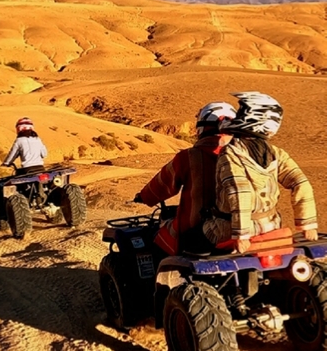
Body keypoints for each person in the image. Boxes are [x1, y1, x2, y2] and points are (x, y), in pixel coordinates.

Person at [203, 91, 318, 254]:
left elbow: (239, 191)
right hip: (272, 226)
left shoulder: (231, 153)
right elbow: (300, 183)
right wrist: (308, 225)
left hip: (228, 230)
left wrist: (241, 235)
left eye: (242, 112)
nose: (236, 116)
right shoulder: (276, 153)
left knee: (194, 237)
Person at [134, 102, 237, 256]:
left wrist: (144, 196)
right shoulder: (245, 157)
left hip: (197, 228)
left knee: (159, 240)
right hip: (245, 228)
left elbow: (163, 183)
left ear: (202, 127)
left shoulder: (189, 157)